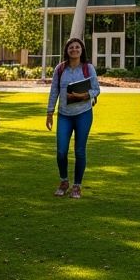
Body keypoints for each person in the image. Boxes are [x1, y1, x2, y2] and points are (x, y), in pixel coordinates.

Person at [46, 37, 101, 199]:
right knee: (61, 151)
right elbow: (54, 92)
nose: (74, 50)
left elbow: (96, 89)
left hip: (83, 113)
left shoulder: (88, 68)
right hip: (64, 115)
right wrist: (49, 112)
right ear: (67, 50)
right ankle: (64, 181)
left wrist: (85, 95)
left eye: (77, 47)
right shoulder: (60, 69)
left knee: (79, 151)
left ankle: (77, 185)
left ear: (82, 50)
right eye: (71, 47)